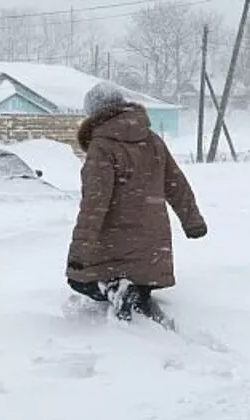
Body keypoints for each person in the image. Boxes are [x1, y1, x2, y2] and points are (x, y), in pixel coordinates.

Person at [66, 82, 207, 322]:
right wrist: (192, 221)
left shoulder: (102, 146)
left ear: (94, 113)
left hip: (114, 238)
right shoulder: (152, 140)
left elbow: (93, 206)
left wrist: (79, 252)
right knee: (142, 277)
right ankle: (135, 291)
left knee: (79, 280)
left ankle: (115, 289)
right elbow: (176, 184)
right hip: (153, 244)